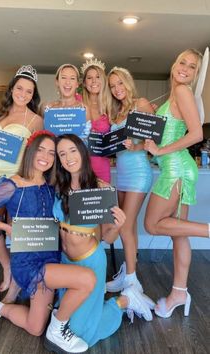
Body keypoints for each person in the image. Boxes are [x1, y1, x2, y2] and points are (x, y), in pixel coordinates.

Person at [0, 131, 95, 353]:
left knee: (35, 327)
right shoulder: (12, 185)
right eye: (41, 150)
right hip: (29, 262)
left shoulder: (53, 184)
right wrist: (6, 227)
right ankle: (58, 330)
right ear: (30, 151)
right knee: (87, 279)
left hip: (52, 255)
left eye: (51, 153)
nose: (46, 157)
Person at [50, 133, 154, 349]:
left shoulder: (101, 188)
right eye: (62, 154)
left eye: (73, 151)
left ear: (83, 152)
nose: (68, 158)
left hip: (90, 262)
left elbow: (108, 237)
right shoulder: (58, 185)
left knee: (80, 333)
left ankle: (124, 301)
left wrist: (118, 224)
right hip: (65, 262)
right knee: (65, 321)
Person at [143, 49, 210, 318]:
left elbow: (195, 134)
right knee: (178, 233)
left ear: (195, 75)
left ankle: (207, 229)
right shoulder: (175, 94)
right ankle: (179, 293)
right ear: (174, 64)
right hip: (178, 168)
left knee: (151, 224)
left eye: (192, 67)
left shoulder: (182, 91)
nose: (185, 68)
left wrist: (160, 151)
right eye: (182, 62)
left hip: (176, 169)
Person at [0, 65, 43, 299]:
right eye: (20, 88)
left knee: (19, 233)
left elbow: (36, 155)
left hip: (18, 180)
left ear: (33, 95)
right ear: (12, 89)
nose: (24, 94)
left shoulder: (36, 120)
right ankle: (7, 266)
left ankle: (22, 278)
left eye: (29, 91)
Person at [106, 67, 154, 296]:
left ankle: (133, 283)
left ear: (128, 82)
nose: (117, 89)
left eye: (120, 84)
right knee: (130, 227)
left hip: (139, 172)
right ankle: (127, 272)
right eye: (113, 86)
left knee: (123, 225)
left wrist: (136, 146)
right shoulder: (115, 114)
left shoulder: (141, 104)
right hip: (122, 174)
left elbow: (155, 140)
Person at [81, 59, 111, 182]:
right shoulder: (77, 102)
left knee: (102, 200)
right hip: (79, 165)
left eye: (98, 77)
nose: (94, 81)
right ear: (83, 83)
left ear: (103, 81)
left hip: (101, 165)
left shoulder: (110, 106)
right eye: (89, 78)